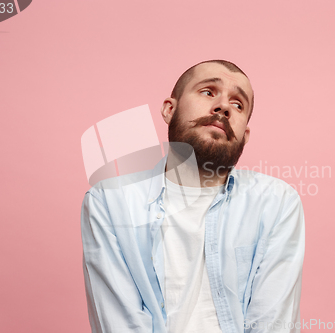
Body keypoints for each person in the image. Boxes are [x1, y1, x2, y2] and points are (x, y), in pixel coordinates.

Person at [80, 60, 305, 333]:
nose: (223, 107)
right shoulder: (110, 202)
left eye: (238, 104)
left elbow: (271, 325)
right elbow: (119, 325)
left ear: (245, 136)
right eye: (208, 92)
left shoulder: (276, 202)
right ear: (169, 109)